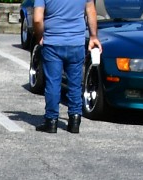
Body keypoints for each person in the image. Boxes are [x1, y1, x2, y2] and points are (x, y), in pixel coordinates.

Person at [31, 0, 99, 133]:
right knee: (75, 84)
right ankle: (74, 120)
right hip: (76, 42)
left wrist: (40, 35)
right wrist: (93, 36)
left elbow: (38, 19)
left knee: (53, 83)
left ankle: (51, 121)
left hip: (53, 42)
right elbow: (91, 11)